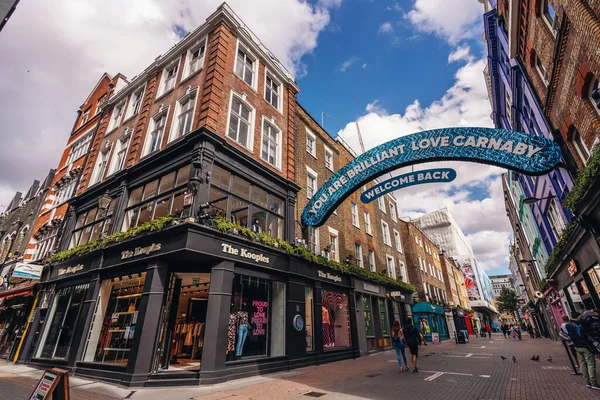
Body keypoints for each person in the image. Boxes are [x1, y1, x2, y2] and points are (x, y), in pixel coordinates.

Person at [565, 311, 600, 389]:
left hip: (577, 346)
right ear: (578, 317)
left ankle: (587, 382)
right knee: (591, 364)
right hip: (585, 347)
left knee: (583, 364)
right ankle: (593, 383)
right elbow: (583, 338)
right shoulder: (578, 326)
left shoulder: (568, 325)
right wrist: (592, 349)